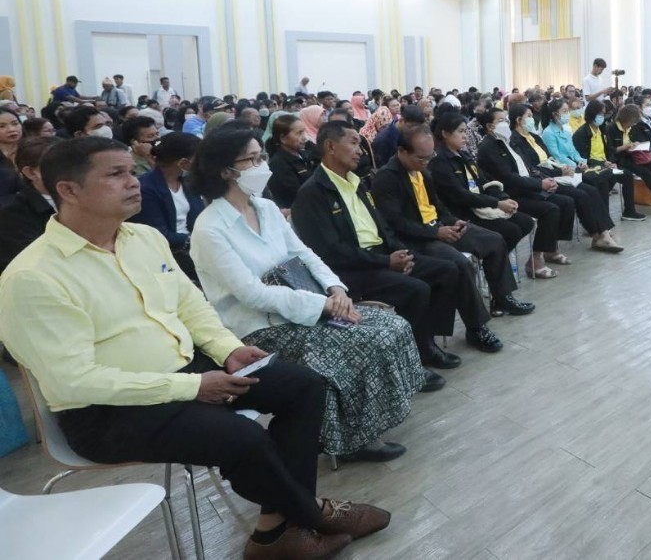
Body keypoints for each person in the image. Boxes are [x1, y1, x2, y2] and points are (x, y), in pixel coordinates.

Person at [0, 137, 389, 559]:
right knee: (243, 438)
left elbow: (190, 305)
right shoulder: (34, 277)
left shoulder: (143, 238)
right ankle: (313, 513)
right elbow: (74, 382)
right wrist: (194, 387)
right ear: (68, 190)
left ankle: (274, 532)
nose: (134, 182)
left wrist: (227, 349)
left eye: (131, 171)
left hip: (187, 371)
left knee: (302, 386)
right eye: (116, 174)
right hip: (109, 411)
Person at [189, 127, 423, 462]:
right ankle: (353, 438)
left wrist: (336, 289)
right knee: (363, 343)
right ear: (225, 171)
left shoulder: (265, 208)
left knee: (392, 325)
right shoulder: (210, 229)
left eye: (261, 156)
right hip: (260, 328)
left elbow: (305, 254)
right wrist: (324, 305)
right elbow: (253, 295)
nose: (261, 166)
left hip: (305, 304)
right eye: (251, 160)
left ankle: (368, 419)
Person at [289, 121, 456, 386]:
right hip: (350, 271)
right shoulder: (312, 193)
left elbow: (381, 227)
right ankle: (412, 364)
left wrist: (398, 252)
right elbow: (331, 252)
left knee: (447, 270)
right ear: (331, 147)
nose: (360, 151)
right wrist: (386, 262)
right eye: (354, 143)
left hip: (379, 257)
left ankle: (426, 342)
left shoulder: (356, 182)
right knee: (416, 289)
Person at [369, 127, 506, 351]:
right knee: (460, 264)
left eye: (429, 156)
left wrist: (453, 222)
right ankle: (476, 327)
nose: (426, 162)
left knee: (493, 239)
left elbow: (438, 207)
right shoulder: (387, 178)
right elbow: (395, 223)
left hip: (438, 226)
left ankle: (502, 297)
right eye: (421, 158)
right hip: (417, 237)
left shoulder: (423, 171)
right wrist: (435, 233)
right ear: (402, 151)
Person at [428, 111, 559, 285]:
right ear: (445, 133)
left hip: (483, 204)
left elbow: (484, 181)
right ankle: (492, 267)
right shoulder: (440, 162)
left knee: (525, 222)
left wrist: (502, 197)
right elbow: (461, 195)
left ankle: (495, 263)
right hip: (464, 212)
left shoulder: (464, 155)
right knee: (510, 230)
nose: (465, 136)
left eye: (465, 131)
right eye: (460, 131)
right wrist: (497, 203)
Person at [497, 102, 624, 254]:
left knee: (592, 190)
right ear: (518, 120)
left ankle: (603, 234)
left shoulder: (534, 137)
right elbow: (531, 167)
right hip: (543, 178)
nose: (532, 119)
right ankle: (597, 235)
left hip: (556, 172)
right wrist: (561, 171)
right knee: (580, 195)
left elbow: (550, 157)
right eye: (529, 116)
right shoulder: (515, 141)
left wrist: (572, 166)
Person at [132, 133, 205, 281]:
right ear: (183, 163)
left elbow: (199, 216)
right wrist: (198, 239)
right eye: (198, 159)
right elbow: (159, 235)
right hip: (172, 253)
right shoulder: (146, 189)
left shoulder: (187, 182)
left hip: (195, 244)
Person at [0, 136, 56, 271]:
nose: (72, 171)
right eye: (60, 165)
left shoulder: (87, 199)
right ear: (31, 172)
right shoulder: (12, 214)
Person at [265, 113, 314, 214]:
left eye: (304, 132)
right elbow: (298, 194)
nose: (304, 137)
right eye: (299, 133)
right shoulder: (278, 164)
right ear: (283, 138)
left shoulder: (304, 154)